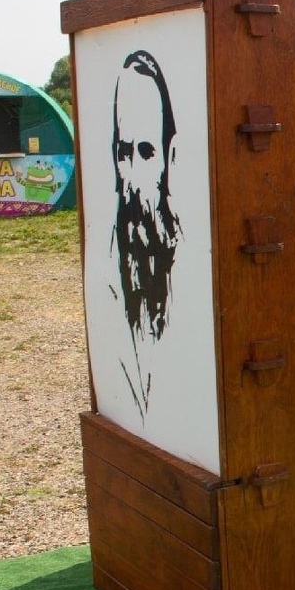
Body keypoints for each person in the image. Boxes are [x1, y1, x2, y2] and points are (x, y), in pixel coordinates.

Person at [111, 49, 181, 418]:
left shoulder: (189, 257)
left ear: (169, 156)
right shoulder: (107, 269)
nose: (133, 171)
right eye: (124, 152)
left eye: (146, 151)